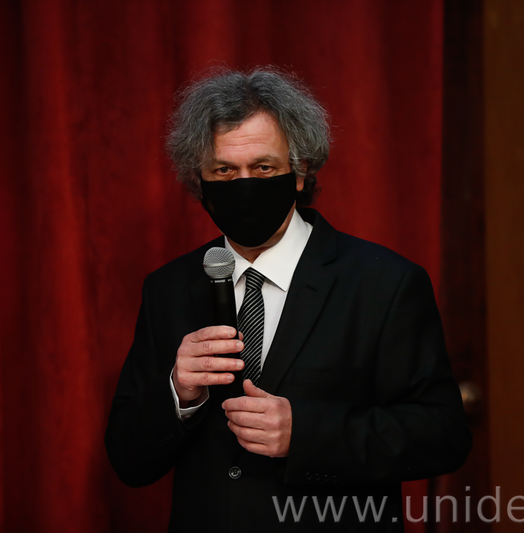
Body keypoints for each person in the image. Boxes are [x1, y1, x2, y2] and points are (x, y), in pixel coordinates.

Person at [105, 68, 471, 532]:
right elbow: (128, 459)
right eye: (224, 170)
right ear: (200, 180)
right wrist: (178, 392)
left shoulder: (384, 282)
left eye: (263, 168)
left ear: (299, 173)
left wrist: (306, 435)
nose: (244, 185)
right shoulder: (169, 288)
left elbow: (442, 436)